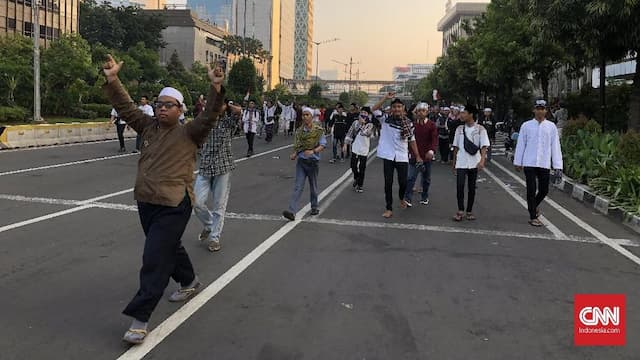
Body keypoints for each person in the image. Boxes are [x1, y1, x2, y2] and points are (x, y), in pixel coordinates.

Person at [102, 54, 225, 344]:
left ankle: (140, 319)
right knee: (169, 248)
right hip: (146, 202)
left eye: (169, 105)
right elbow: (125, 107)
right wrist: (112, 79)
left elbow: (210, 114)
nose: (161, 109)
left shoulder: (189, 132)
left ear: (180, 110)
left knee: (155, 258)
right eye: (159, 104)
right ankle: (189, 281)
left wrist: (216, 89)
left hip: (174, 204)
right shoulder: (147, 127)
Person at [194, 100, 242, 252]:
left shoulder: (228, 123)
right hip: (205, 167)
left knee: (218, 206)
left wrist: (227, 105)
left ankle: (215, 238)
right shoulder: (204, 122)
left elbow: (238, 111)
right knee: (196, 202)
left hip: (223, 168)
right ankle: (209, 225)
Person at [372, 93, 423, 219]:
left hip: (402, 156)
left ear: (403, 109)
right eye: (394, 107)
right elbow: (374, 109)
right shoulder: (385, 119)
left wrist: (417, 156)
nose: (397, 109)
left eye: (399, 107)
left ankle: (401, 198)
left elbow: (412, 140)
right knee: (388, 183)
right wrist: (385, 98)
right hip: (388, 155)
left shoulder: (409, 123)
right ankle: (388, 208)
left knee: (403, 182)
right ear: (391, 109)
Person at [514, 99, 563, 227]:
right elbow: (521, 144)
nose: (540, 111)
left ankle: (533, 206)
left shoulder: (551, 127)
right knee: (531, 189)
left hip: (544, 162)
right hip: (529, 162)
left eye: (542, 109)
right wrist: (518, 161)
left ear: (546, 111)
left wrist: (558, 166)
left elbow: (555, 147)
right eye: (538, 108)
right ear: (534, 110)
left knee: (544, 190)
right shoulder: (526, 125)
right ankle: (533, 216)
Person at [282, 107, 327, 221]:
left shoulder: (318, 130)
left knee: (313, 187)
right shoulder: (299, 131)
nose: (305, 117)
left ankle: (314, 207)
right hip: (301, 162)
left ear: (312, 117)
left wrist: (313, 151)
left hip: (313, 162)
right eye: (303, 115)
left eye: (307, 115)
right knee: (298, 186)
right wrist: (295, 154)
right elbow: (298, 146)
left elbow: (323, 145)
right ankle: (292, 211)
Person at [451, 104, 490, 222]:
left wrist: (482, 160)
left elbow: (484, 146)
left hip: (474, 161)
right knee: (460, 186)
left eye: (464, 113)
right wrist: (454, 162)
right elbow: (456, 146)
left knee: (472, 187)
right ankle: (460, 210)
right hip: (461, 161)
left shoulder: (480, 129)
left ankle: (469, 210)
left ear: (471, 114)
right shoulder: (459, 129)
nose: (461, 115)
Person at [404, 102, 438, 207]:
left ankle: (424, 196)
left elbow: (434, 139)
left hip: (427, 156)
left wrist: (432, 150)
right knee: (410, 177)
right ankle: (407, 198)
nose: (421, 113)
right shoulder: (412, 125)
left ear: (427, 112)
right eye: (419, 111)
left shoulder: (431, 125)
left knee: (426, 178)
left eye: (423, 111)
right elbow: (409, 140)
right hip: (414, 156)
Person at [344, 106, 375, 193]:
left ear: (368, 115)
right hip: (355, 147)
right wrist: (345, 144)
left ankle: (360, 185)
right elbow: (350, 133)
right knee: (353, 166)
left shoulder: (370, 124)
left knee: (362, 167)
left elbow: (367, 134)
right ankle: (356, 178)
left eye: (365, 113)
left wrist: (363, 124)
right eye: (362, 112)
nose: (363, 114)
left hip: (364, 148)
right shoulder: (355, 123)